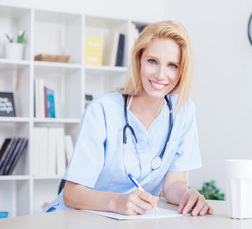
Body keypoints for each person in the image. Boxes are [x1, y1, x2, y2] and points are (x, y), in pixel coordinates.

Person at [47, 20, 213, 216]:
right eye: (152, 61)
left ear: (182, 70)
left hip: (134, 220)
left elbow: (173, 184)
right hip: (78, 216)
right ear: (139, 60)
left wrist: (187, 195)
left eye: (172, 65)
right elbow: (71, 194)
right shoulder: (102, 110)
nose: (161, 75)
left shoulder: (182, 111)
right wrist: (117, 202)